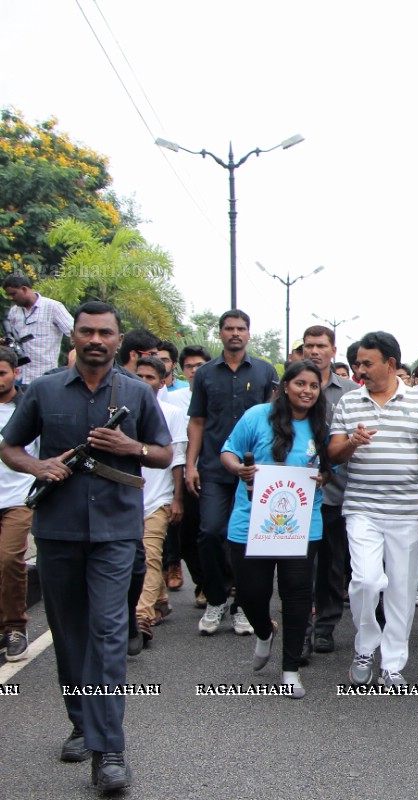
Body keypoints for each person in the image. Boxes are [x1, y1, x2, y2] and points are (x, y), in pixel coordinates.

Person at [0, 301, 171, 791]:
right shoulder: (45, 389)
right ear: (71, 336)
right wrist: (39, 466)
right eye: (87, 332)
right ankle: (81, 721)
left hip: (116, 533)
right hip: (57, 530)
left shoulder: (137, 393)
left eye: (105, 333)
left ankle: (109, 748)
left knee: (109, 632)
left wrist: (129, 449)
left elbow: (161, 453)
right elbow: (10, 446)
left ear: (119, 341)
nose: (96, 340)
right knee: (70, 633)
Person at [330, 331, 418, 687]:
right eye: (357, 363)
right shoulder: (349, 403)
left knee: (401, 589)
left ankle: (392, 664)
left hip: (407, 510)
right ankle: (365, 648)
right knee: (366, 579)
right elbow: (333, 454)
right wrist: (352, 442)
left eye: (367, 362)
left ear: (391, 364)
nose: (359, 369)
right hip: (362, 507)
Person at [220, 359, 330, 698]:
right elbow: (227, 451)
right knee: (251, 593)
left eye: (313, 386)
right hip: (251, 521)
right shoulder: (257, 416)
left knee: (297, 595)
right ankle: (264, 630)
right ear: (285, 386)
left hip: (302, 525)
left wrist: (326, 475)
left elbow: (332, 466)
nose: (307, 391)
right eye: (300, 384)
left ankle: (291, 669)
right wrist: (239, 469)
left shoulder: (321, 425)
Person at [187, 310, 279, 637]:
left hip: (256, 473)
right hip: (214, 467)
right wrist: (190, 465)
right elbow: (197, 422)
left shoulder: (266, 371)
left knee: (251, 541)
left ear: (249, 334)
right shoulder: (206, 374)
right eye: (229, 328)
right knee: (211, 532)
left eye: (241, 328)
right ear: (220, 333)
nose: (235, 333)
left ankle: (243, 606)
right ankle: (216, 598)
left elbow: (275, 419)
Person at [300, 325, 357, 658]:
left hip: (337, 492)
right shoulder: (288, 388)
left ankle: (325, 626)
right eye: (309, 346)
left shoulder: (350, 392)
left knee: (332, 566)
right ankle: (302, 629)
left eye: (321, 345)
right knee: (300, 567)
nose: (314, 351)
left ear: (333, 350)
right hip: (296, 494)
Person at [130, 357, 187, 653]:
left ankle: (141, 617)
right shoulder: (122, 410)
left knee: (150, 555)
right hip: (127, 498)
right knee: (140, 556)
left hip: (159, 496)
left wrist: (177, 498)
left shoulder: (172, 413)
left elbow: (177, 457)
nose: (143, 381)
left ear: (163, 381)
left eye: (150, 377)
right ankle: (160, 599)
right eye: (138, 375)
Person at [163, 345, 210, 596]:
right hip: (180, 475)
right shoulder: (172, 400)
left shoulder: (215, 395)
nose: (194, 371)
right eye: (190, 366)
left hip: (212, 474)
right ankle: (201, 580)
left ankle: (214, 585)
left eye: (199, 366)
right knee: (186, 536)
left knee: (211, 532)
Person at [0, 346, 34, 661]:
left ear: (15, 373)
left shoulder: (27, 407)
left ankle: (15, 627)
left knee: (9, 558)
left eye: (1, 373)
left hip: (17, 497)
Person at [1, 274, 73, 383]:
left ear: (24, 289)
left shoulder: (53, 307)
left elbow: (76, 335)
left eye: (13, 294)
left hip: (45, 377)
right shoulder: (14, 311)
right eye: (8, 295)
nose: (11, 298)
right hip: (19, 378)